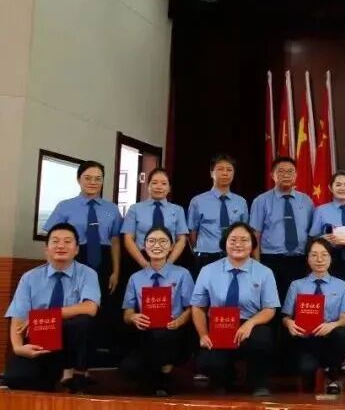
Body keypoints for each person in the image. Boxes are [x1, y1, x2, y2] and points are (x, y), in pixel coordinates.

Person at [3, 224, 100, 393]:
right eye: (55, 241)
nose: (61, 246)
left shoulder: (88, 274)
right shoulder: (29, 278)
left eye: (67, 241)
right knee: (16, 378)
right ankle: (51, 379)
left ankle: (76, 373)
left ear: (77, 249)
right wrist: (18, 348)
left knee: (84, 321)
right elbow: (18, 316)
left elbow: (90, 307)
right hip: (40, 342)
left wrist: (50, 315)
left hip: (70, 345)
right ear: (46, 249)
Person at [42, 160, 122, 356]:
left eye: (98, 179)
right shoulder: (65, 206)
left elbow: (115, 241)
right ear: (79, 179)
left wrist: (116, 270)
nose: (93, 182)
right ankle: (66, 356)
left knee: (102, 306)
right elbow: (53, 237)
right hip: (74, 257)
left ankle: (93, 357)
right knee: (74, 305)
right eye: (88, 178)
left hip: (103, 259)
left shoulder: (111, 209)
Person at [191, 222, 279, 397]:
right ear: (224, 243)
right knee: (208, 361)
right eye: (233, 240)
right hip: (219, 325)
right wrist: (203, 334)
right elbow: (198, 307)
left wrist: (250, 324)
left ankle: (258, 383)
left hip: (250, 325)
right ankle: (225, 379)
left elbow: (270, 309)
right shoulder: (208, 271)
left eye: (244, 240)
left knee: (262, 338)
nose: (238, 244)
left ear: (253, 245)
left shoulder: (264, 272)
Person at [119, 227, 195, 396]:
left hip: (173, 332)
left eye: (163, 241)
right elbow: (127, 314)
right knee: (128, 368)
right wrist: (134, 317)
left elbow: (192, 309)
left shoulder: (182, 274)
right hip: (146, 333)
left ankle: (163, 375)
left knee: (161, 338)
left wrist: (179, 321)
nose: (157, 245)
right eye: (151, 241)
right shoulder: (135, 278)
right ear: (144, 246)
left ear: (171, 247)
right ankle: (160, 374)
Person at [281, 238, 345, 395]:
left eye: (324, 255)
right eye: (314, 255)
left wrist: (331, 325)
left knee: (341, 332)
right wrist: (289, 324)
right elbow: (286, 317)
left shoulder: (342, 285)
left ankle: (333, 372)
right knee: (307, 373)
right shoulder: (296, 285)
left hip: (330, 337)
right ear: (307, 259)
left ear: (331, 258)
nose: (319, 259)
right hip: (306, 339)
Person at [250, 156, 315, 301]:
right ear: (272, 175)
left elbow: (312, 234)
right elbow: (255, 235)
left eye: (290, 171)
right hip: (271, 261)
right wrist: (258, 264)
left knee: (297, 303)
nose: (286, 175)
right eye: (281, 171)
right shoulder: (261, 201)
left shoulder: (306, 201)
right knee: (272, 302)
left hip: (299, 261)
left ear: (296, 175)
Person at [187, 154, 249, 274]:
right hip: (206, 257)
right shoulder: (198, 201)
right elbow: (192, 232)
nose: (225, 173)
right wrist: (198, 250)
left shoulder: (241, 202)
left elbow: (245, 231)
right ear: (211, 173)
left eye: (229, 170)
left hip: (234, 256)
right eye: (220, 169)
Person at [121, 168, 188, 269]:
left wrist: (169, 263)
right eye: (154, 183)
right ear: (148, 186)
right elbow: (128, 239)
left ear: (169, 188)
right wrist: (144, 264)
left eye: (164, 183)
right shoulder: (135, 209)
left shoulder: (178, 210)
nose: (159, 187)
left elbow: (181, 240)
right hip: (140, 259)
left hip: (169, 258)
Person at [311, 171, 345, 286]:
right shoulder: (321, 211)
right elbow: (312, 238)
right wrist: (322, 239)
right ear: (330, 188)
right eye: (338, 185)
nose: (342, 188)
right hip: (329, 260)